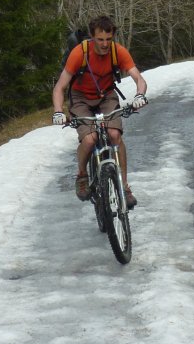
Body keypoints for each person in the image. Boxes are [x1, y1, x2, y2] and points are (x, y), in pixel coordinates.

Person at [52, 15, 148, 208]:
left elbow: (139, 78)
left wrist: (139, 95)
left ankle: (124, 187)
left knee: (114, 135)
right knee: (90, 139)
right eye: (100, 39)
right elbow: (60, 87)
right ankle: (82, 175)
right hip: (80, 98)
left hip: (106, 95)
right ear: (92, 37)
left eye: (108, 39)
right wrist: (58, 111)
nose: (104, 44)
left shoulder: (118, 52)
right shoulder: (80, 53)